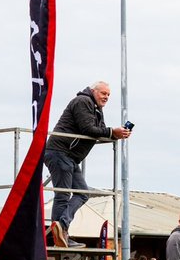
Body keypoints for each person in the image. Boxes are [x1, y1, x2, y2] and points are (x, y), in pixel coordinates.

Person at [43, 82, 132, 247]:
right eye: (103, 93)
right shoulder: (83, 102)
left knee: (83, 193)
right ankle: (59, 235)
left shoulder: (96, 108)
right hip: (60, 152)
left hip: (69, 156)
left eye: (108, 95)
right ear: (93, 91)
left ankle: (62, 229)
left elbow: (101, 130)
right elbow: (88, 128)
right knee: (63, 195)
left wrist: (116, 134)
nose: (106, 97)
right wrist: (113, 132)